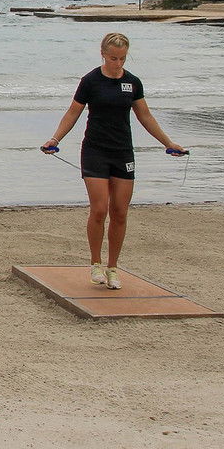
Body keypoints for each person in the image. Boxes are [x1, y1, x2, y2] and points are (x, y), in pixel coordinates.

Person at [41, 32, 185, 289]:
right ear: (103, 55)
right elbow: (73, 113)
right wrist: (55, 138)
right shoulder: (90, 81)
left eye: (122, 58)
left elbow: (145, 116)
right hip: (95, 151)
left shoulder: (133, 82)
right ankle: (95, 263)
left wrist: (168, 142)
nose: (118, 63)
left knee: (119, 212)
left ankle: (113, 267)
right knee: (99, 209)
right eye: (113, 58)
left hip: (123, 152)